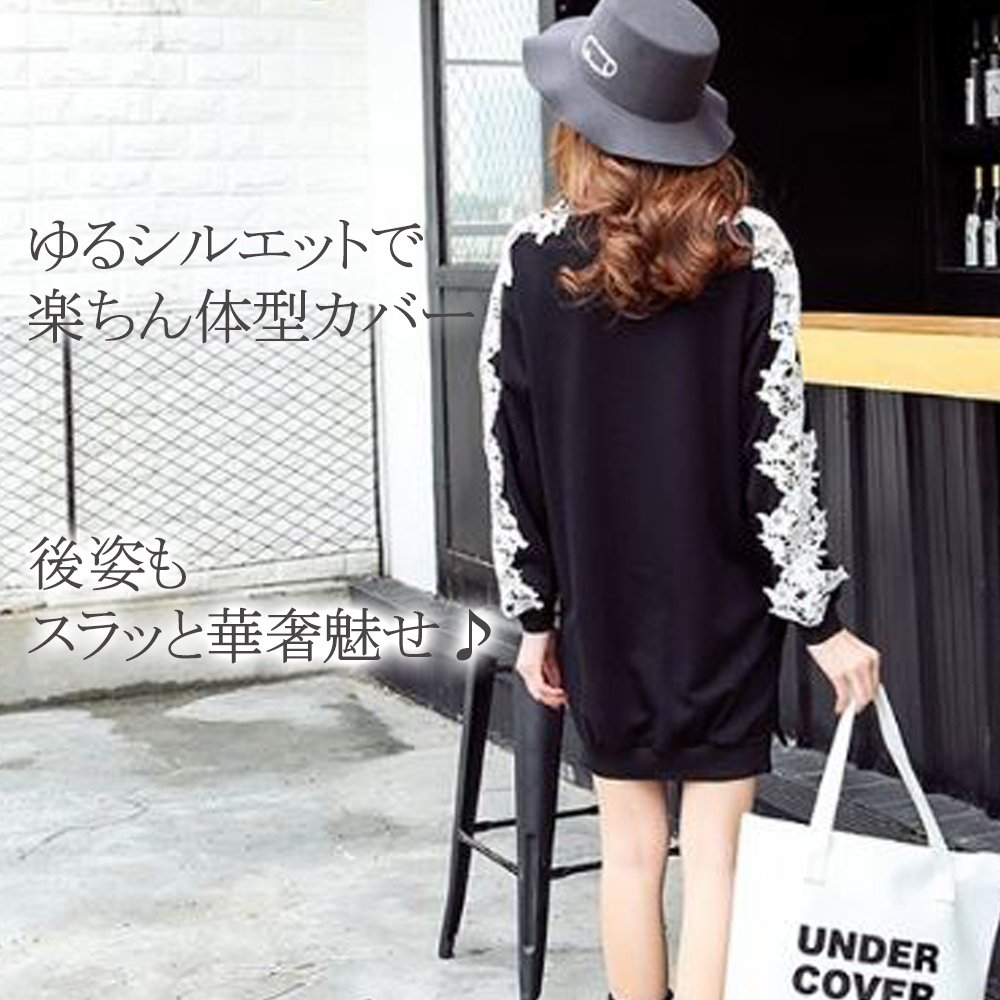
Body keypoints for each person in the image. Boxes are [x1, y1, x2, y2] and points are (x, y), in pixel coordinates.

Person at [477, 2, 883, 999]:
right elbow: (776, 453)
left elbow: (509, 454)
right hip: (723, 607)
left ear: (582, 123)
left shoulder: (530, 254)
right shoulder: (751, 248)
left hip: (603, 606)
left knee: (627, 851)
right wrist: (820, 621)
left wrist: (535, 616)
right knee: (716, 858)